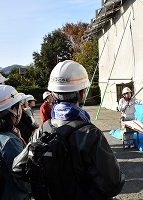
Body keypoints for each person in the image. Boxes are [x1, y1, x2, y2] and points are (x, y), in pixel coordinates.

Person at [34, 60, 125, 199]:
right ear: (82, 93)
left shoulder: (44, 129)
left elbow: (19, 168)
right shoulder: (90, 133)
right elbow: (113, 183)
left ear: (53, 95)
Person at [0, 85, 31, 199]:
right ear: (13, 111)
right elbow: (24, 179)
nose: (21, 109)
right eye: (19, 106)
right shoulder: (10, 142)